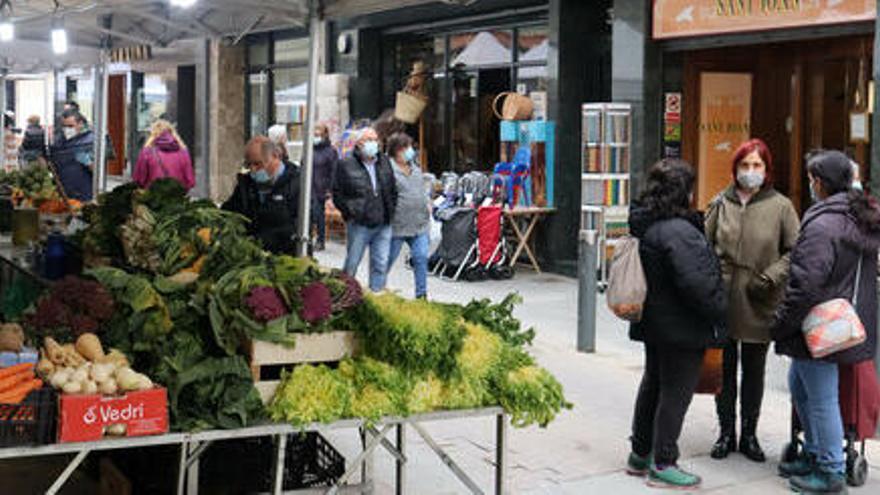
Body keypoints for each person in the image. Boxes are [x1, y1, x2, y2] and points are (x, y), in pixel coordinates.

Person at [772, 150, 880, 494]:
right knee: (801, 385)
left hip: (818, 324)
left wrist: (781, 323)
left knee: (820, 397)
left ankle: (830, 470)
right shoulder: (859, 217)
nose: (810, 184)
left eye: (811, 178)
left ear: (819, 182)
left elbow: (806, 284)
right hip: (847, 322)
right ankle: (818, 452)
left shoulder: (823, 224)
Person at [625, 159, 726, 490]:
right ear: (683, 191)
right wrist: (719, 311)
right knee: (675, 392)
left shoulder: (647, 223)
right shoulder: (678, 232)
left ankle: (640, 453)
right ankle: (664, 461)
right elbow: (697, 284)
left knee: (653, 383)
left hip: (655, 322)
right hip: (681, 326)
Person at [705, 139, 800, 462]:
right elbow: (704, 246)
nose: (750, 172)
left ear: (767, 169)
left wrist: (771, 277)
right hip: (724, 297)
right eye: (745, 165)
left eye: (757, 165)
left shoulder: (781, 206)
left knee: (754, 370)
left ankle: (749, 434)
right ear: (735, 168)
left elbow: (794, 251)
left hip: (760, 297)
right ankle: (725, 432)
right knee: (724, 369)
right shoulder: (721, 202)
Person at [332, 127, 397, 292]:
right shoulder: (345, 164)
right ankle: (344, 293)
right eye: (368, 140)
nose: (373, 144)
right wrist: (350, 213)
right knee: (352, 262)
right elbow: (337, 192)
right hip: (359, 223)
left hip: (383, 222)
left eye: (375, 140)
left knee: (381, 263)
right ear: (358, 143)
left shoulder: (384, 162)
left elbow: (393, 189)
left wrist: (391, 210)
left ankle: (377, 294)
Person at [222, 136, 300, 254]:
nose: (253, 170)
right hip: (250, 258)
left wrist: (258, 242)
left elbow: (295, 227)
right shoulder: (246, 184)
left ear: (276, 157)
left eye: (258, 164)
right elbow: (230, 211)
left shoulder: (297, 183)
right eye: (249, 165)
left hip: (285, 258)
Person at [385, 132, 430, 299]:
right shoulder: (388, 170)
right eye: (404, 148)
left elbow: (421, 190)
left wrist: (427, 203)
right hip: (397, 226)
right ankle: (376, 289)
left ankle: (422, 295)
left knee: (421, 257)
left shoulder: (416, 168)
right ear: (395, 151)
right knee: (386, 261)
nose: (409, 151)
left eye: (410, 147)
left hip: (420, 224)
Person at [133, 119, 194, 190]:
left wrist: (148, 143)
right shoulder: (183, 152)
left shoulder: (147, 152)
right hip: (176, 195)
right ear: (172, 133)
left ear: (153, 134)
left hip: (154, 194)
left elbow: (139, 178)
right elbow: (190, 181)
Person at [50, 110, 95, 201]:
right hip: (62, 193)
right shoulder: (59, 141)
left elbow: (100, 172)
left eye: (70, 126)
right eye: (64, 126)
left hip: (84, 193)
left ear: (80, 124)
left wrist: (89, 162)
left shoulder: (92, 140)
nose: (67, 129)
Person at [310, 123, 337, 251]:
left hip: (322, 189)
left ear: (325, 135)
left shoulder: (330, 151)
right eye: (314, 135)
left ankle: (320, 241)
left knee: (318, 214)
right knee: (310, 214)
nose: (316, 137)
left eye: (318, 135)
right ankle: (309, 239)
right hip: (310, 187)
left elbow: (334, 172)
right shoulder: (310, 149)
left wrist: (330, 192)